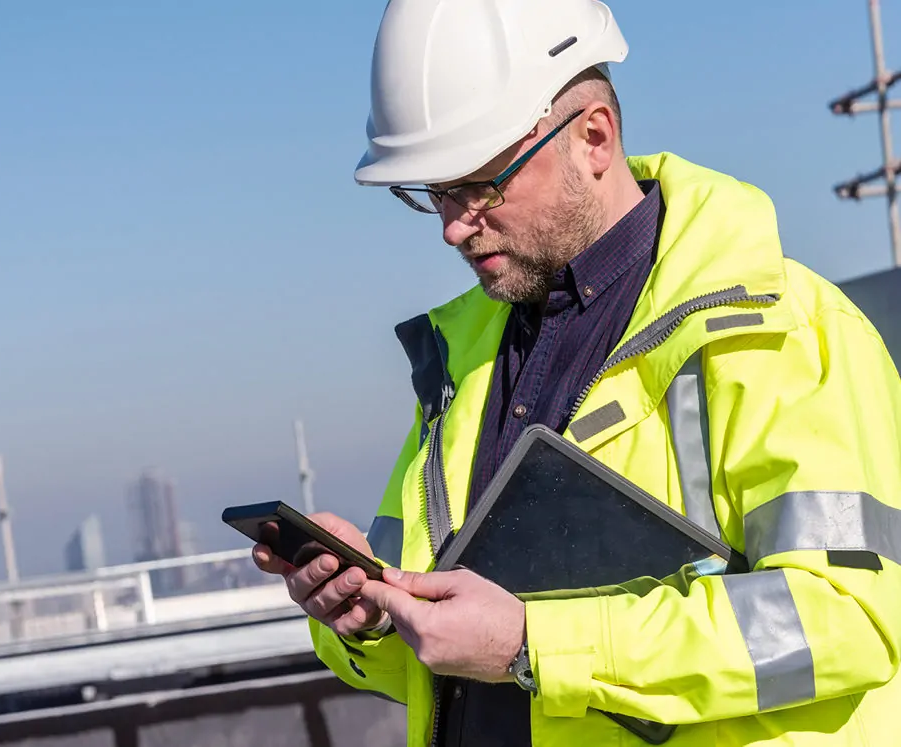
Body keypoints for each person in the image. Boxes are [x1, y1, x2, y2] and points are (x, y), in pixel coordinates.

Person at [253, 1, 901, 744]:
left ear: (593, 137)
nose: (452, 225)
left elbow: (848, 620)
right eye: (434, 192)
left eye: (481, 185)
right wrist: (371, 618)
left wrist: (537, 644)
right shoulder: (461, 365)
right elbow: (449, 665)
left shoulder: (782, 326)